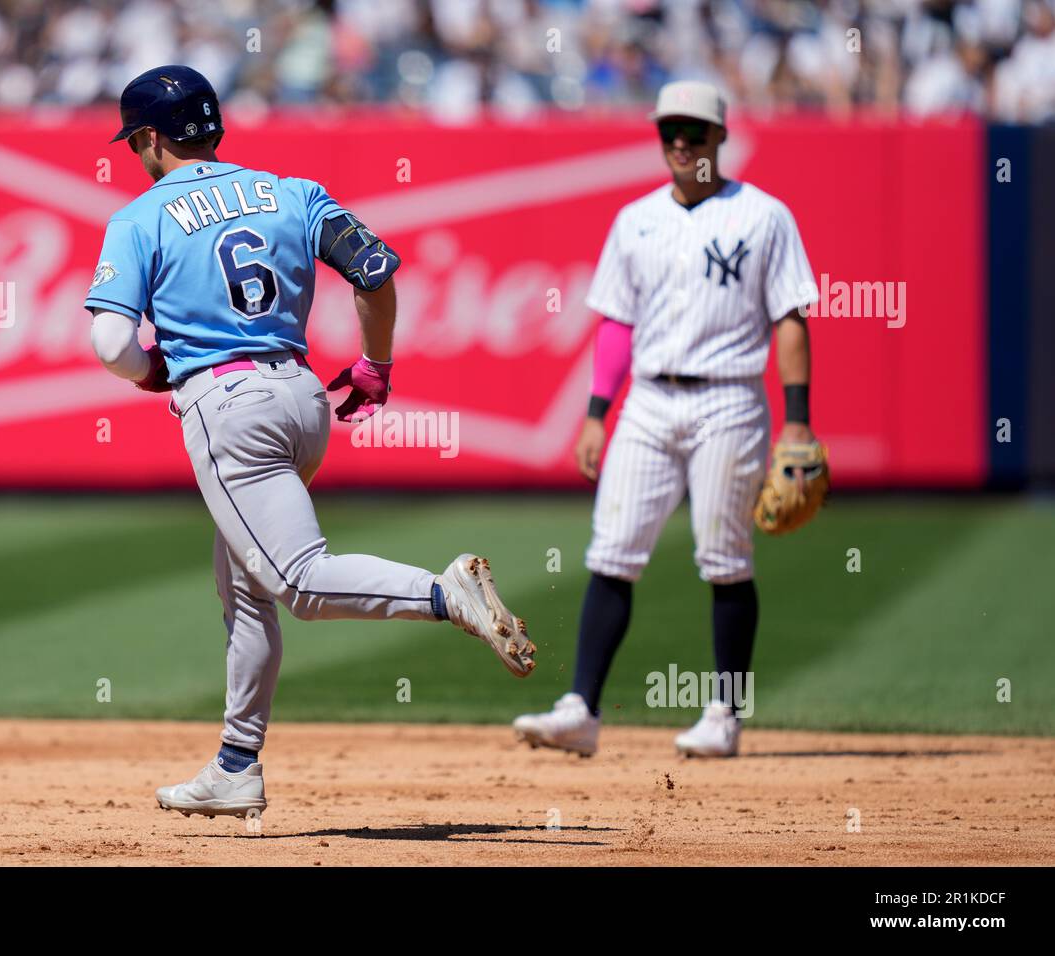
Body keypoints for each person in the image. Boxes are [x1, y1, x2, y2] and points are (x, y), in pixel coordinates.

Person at [85, 66, 535, 818]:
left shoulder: (140, 218)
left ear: (151, 138)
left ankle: (443, 594)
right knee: (247, 590)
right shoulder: (291, 192)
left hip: (227, 406)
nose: (137, 154)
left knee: (297, 580)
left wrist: (150, 372)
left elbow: (108, 341)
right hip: (302, 401)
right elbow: (376, 270)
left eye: (136, 142)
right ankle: (234, 765)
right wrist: (375, 366)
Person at [513, 80, 818, 758]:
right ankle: (581, 709)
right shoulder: (636, 219)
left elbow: (790, 317)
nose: (680, 142)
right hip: (648, 401)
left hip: (729, 400)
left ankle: (724, 717)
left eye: (694, 131)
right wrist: (596, 412)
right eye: (669, 130)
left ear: (719, 138)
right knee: (611, 552)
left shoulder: (763, 215)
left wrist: (797, 421)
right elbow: (617, 322)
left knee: (725, 560)